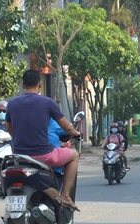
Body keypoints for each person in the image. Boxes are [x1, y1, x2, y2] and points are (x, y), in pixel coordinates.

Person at [5, 69, 82, 209]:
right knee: (74, 155)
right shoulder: (48, 103)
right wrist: (76, 133)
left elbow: (10, 130)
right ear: (40, 84)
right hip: (44, 155)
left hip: (19, 156)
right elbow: (67, 128)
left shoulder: (12, 104)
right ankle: (65, 195)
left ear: (23, 85)